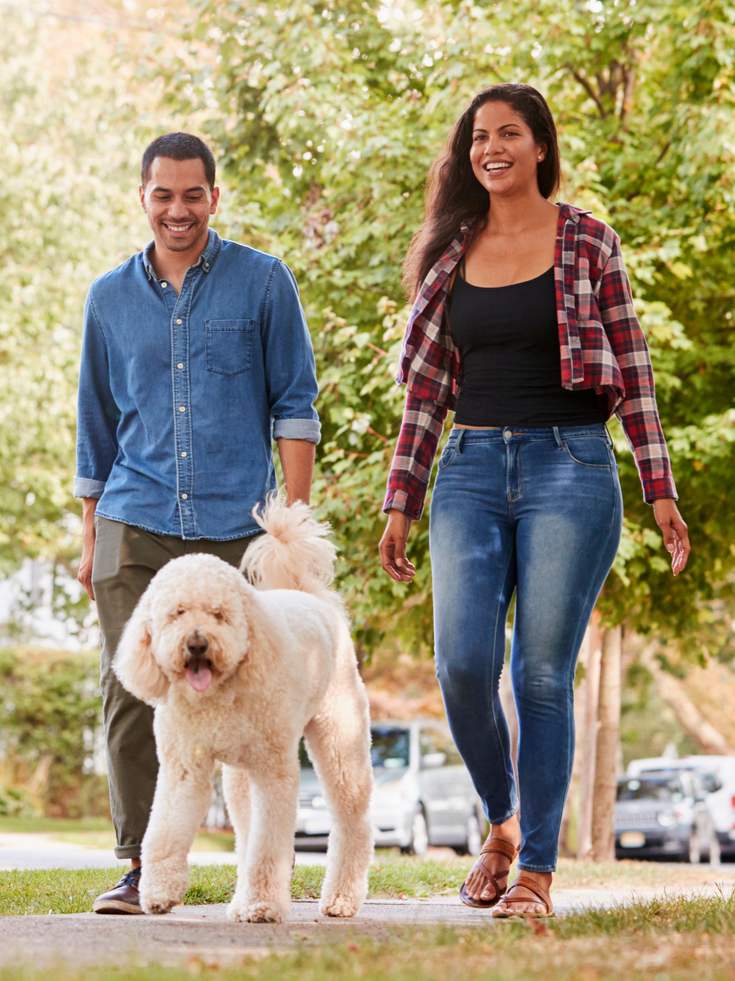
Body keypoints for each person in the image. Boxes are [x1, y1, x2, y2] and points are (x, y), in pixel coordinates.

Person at [379, 83, 689, 918]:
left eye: (508, 133)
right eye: (479, 136)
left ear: (540, 146)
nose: (491, 148)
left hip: (569, 467)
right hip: (469, 468)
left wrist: (658, 486)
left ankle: (536, 874)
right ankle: (503, 821)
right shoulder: (451, 251)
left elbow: (633, 369)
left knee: (540, 673)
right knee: (461, 666)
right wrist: (401, 497)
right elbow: (425, 392)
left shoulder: (588, 240)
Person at [75, 132, 320, 914]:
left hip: (236, 526)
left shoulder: (263, 281)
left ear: (214, 197)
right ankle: (140, 865)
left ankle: (260, 865)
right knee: (131, 692)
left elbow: (295, 405)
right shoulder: (108, 298)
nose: (176, 210)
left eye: (191, 195)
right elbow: (95, 426)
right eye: (162, 195)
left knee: (258, 688)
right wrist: (89, 536)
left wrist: (291, 524)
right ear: (142, 197)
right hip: (133, 517)